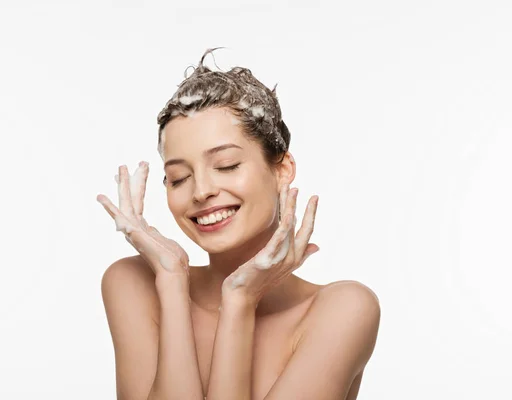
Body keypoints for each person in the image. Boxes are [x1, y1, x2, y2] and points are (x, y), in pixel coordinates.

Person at [97, 48, 381, 400]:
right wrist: (171, 280)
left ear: (282, 169)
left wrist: (240, 300)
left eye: (227, 165)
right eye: (179, 177)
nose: (201, 191)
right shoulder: (135, 284)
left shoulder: (343, 309)